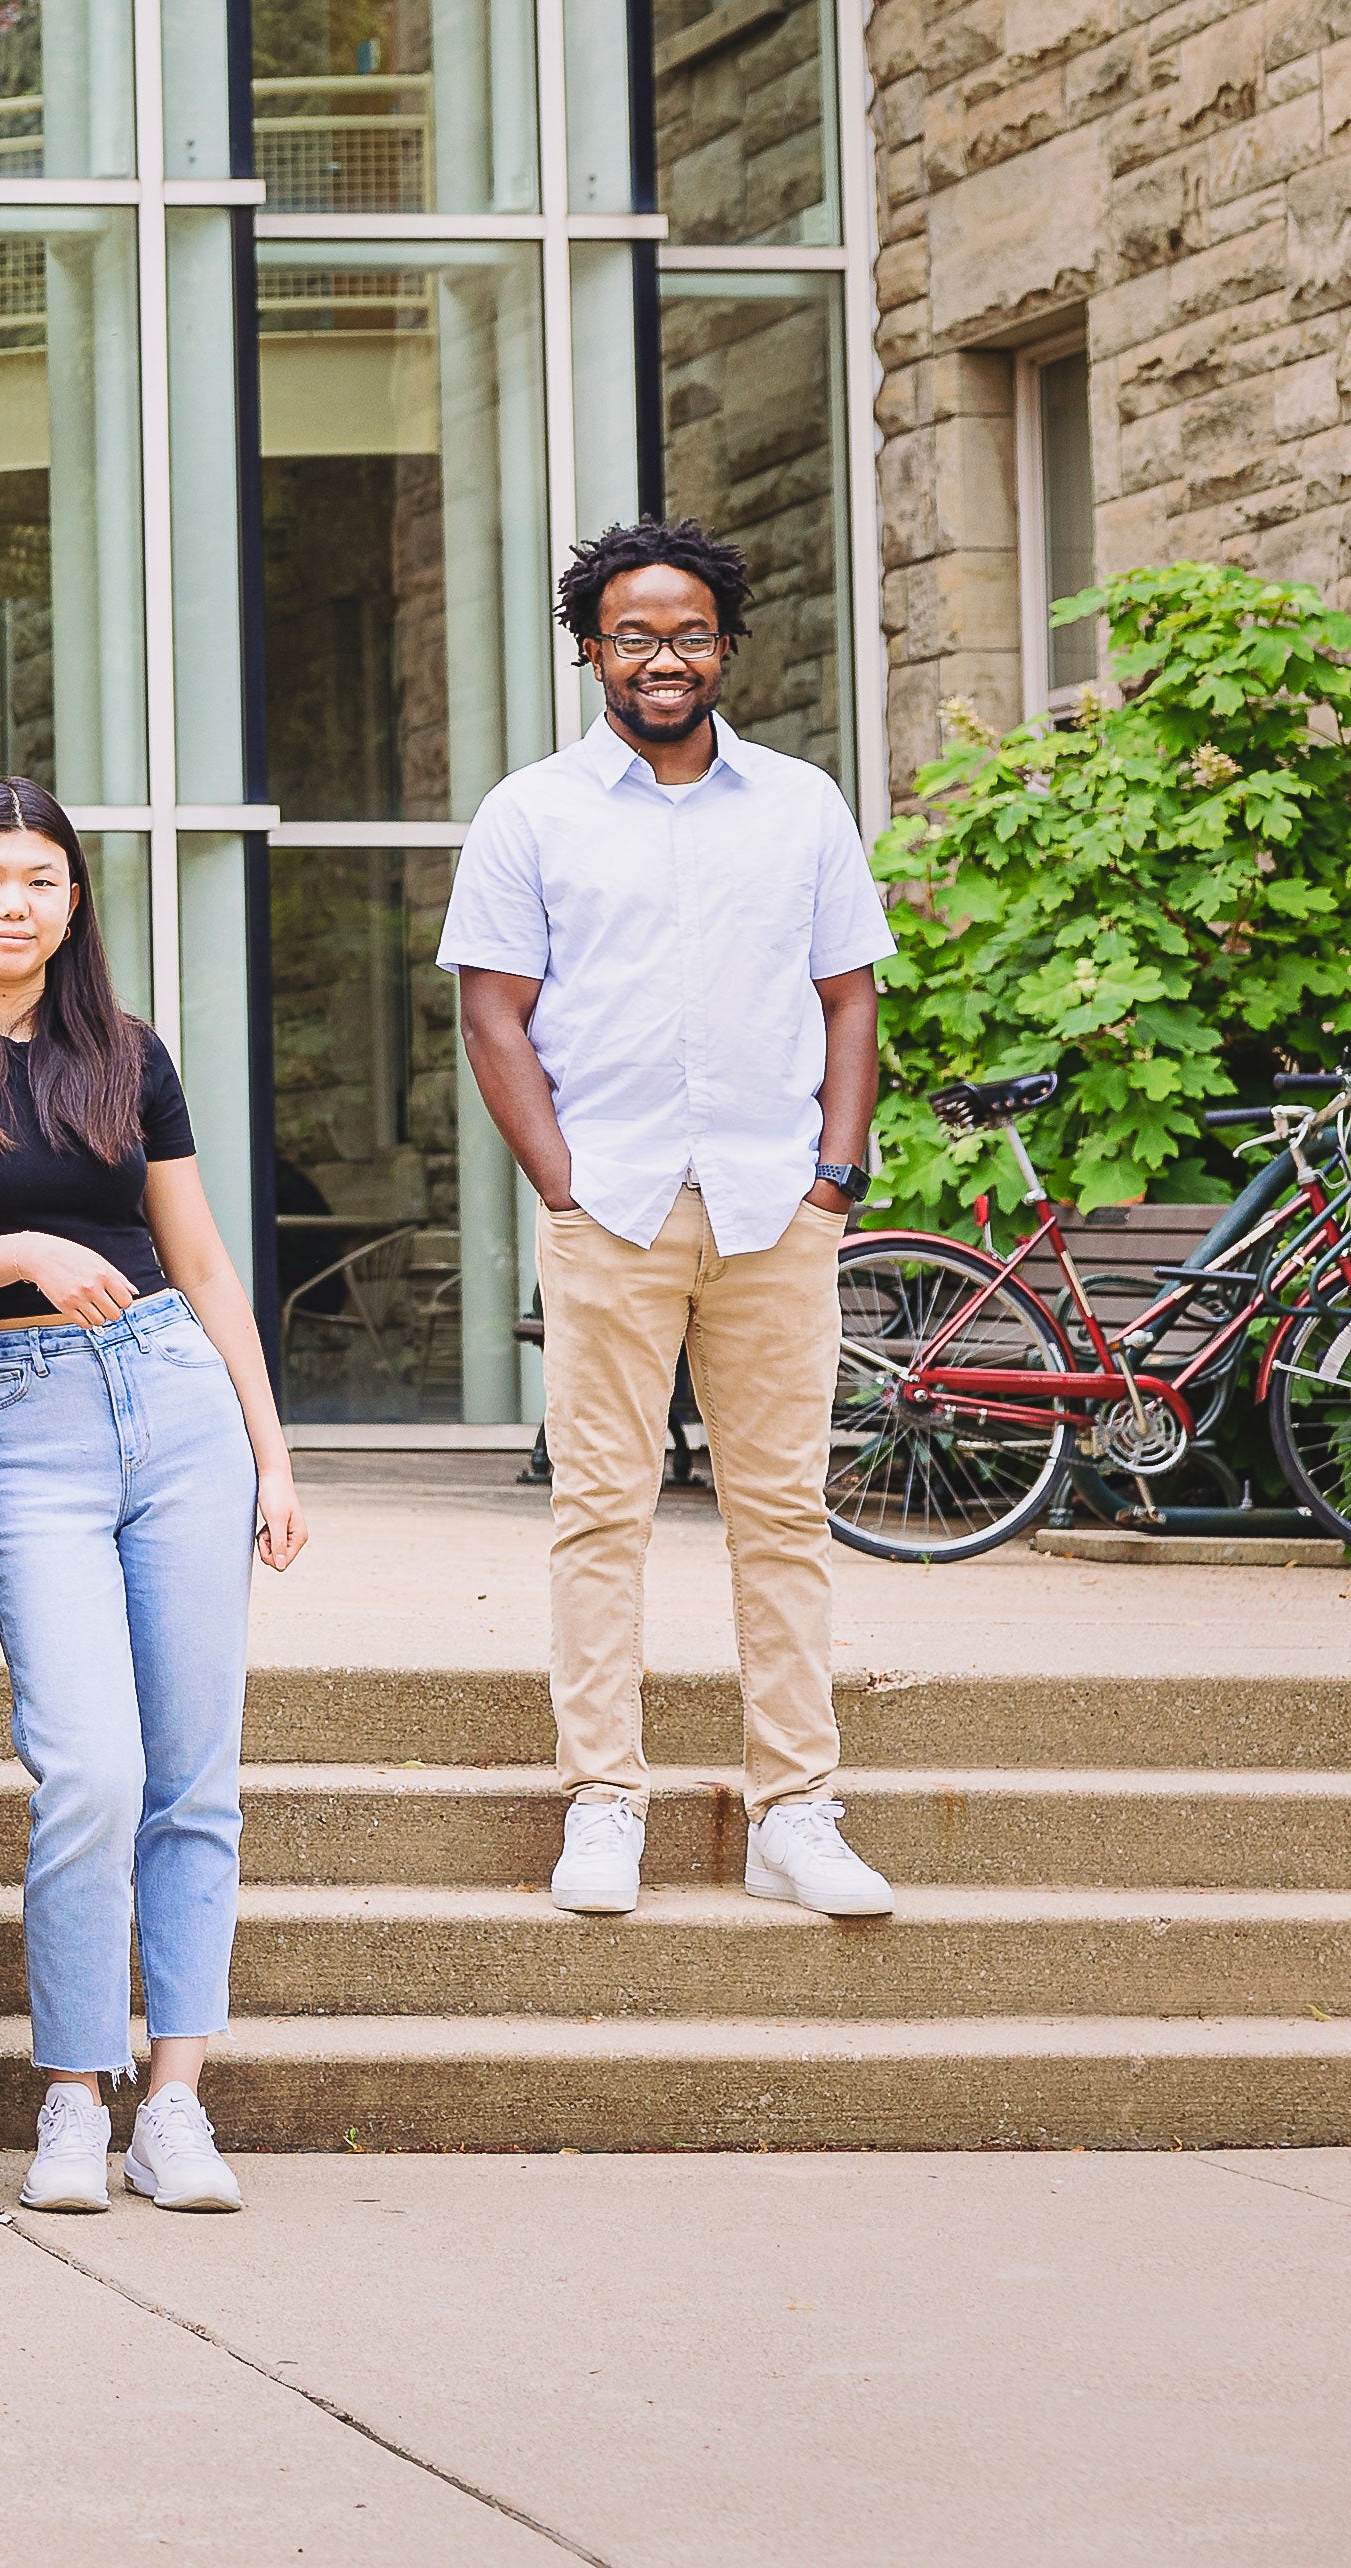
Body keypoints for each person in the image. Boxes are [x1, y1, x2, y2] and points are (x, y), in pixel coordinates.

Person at [0, 777, 307, 2217]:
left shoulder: (127, 1050)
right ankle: (67, 2096)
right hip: (26, 1418)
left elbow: (207, 1264)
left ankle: (174, 2104)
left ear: (72, 903)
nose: (13, 902)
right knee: (90, 1768)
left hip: (173, 1399)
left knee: (192, 1776)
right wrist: (28, 1248)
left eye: (41, 878)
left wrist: (272, 1449)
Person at [445, 519, 897, 1927]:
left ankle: (796, 1809)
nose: (663, 657)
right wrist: (564, 1184)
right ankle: (604, 1799)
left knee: (783, 1516)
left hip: (777, 1209)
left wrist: (834, 1174)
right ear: (590, 648)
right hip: (614, 1213)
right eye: (633, 634)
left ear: (722, 646)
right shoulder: (531, 813)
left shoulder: (803, 803)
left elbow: (849, 997)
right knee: (602, 1514)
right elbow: (493, 1012)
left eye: (688, 633)